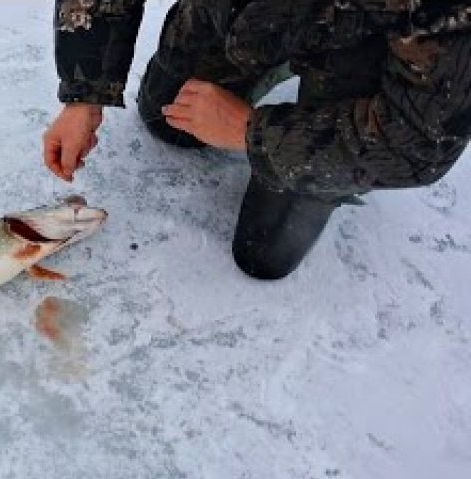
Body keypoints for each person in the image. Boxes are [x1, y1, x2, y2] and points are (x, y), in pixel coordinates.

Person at [43, 0, 471, 279]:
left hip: (365, 57)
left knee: (263, 254)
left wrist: (253, 131)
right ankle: (275, 56)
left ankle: (303, 82)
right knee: (168, 119)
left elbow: (419, 141)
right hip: (240, 15)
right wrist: (86, 92)